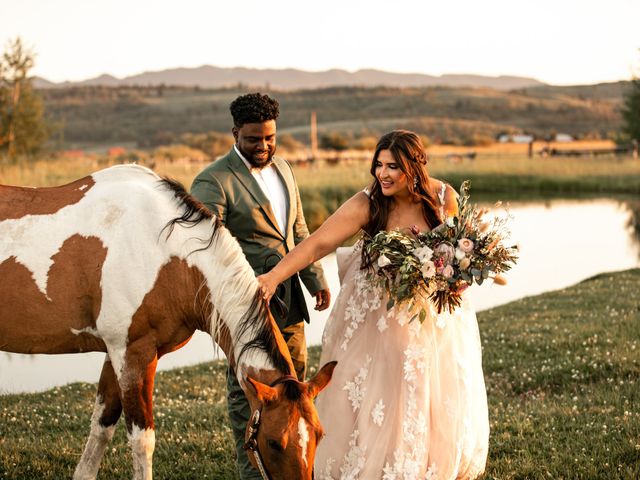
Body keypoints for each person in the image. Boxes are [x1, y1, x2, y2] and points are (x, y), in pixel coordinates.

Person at [258, 130, 489, 479]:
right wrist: (274, 276)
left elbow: (460, 252)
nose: (383, 174)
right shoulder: (369, 203)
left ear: (414, 166)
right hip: (378, 317)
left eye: (393, 166)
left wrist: (457, 278)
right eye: (378, 165)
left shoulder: (444, 198)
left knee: (427, 388)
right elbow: (317, 243)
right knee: (380, 391)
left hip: (431, 317)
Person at [190, 92, 330, 480]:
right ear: (235, 133)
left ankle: (294, 465)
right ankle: (252, 472)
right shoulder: (213, 180)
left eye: (270, 137)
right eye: (253, 139)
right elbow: (203, 250)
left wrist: (314, 277)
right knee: (248, 396)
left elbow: (297, 232)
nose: (264, 146)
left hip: (290, 299)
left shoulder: (284, 169)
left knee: (294, 388)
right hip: (246, 310)